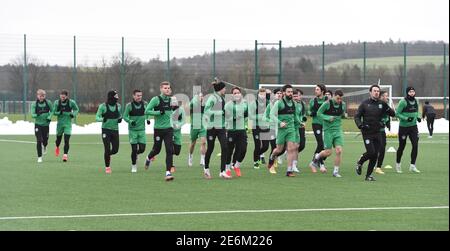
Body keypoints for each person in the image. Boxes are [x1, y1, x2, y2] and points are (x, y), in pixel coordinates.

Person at [354, 84, 395, 181]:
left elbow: (392, 114)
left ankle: (368, 176)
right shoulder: (364, 103)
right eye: (374, 91)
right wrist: (360, 125)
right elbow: (357, 117)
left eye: (378, 91)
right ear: (370, 92)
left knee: (375, 154)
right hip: (367, 132)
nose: (376, 92)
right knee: (371, 152)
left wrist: (390, 108)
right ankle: (360, 161)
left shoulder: (382, 104)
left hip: (377, 132)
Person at [310, 90, 346, 178]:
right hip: (328, 131)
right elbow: (319, 113)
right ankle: (317, 156)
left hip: (338, 130)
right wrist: (327, 117)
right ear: (333, 96)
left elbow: (342, 114)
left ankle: (335, 171)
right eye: (338, 98)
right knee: (328, 152)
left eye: (341, 99)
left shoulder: (343, 104)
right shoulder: (327, 104)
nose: (339, 100)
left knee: (339, 150)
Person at [144, 81, 176, 181]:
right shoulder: (156, 99)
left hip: (169, 129)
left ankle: (168, 172)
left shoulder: (172, 100)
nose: (167, 89)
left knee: (169, 150)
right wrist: (158, 112)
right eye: (165, 88)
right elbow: (147, 111)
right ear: (161, 89)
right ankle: (148, 158)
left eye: (168, 88)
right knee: (157, 150)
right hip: (158, 129)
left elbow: (173, 111)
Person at [267, 84, 300, 177]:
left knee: (291, 148)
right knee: (279, 149)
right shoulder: (279, 103)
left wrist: (299, 122)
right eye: (288, 92)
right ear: (284, 93)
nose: (290, 94)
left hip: (291, 129)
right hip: (282, 129)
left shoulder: (294, 103)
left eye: (291, 92)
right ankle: (272, 156)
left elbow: (295, 116)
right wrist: (279, 122)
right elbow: (272, 115)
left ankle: (289, 171)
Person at [204, 80, 230, 179]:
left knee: (225, 147)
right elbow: (206, 111)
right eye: (224, 88)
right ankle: (206, 169)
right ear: (220, 89)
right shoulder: (212, 98)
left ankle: (222, 171)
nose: (225, 90)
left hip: (221, 127)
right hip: (212, 127)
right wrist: (219, 112)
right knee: (210, 148)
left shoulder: (222, 98)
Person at [395, 86, 421, 174]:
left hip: (413, 127)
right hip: (403, 128)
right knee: (402, 146)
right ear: (407, 93)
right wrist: (406, 118)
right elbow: (397, 113)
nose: (412, 93)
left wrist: (418, 117)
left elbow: (418, 111)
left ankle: (412, 166)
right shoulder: (403, 102)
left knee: (415, 145)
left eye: (413, 91)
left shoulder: (416, 101)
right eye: (410, 92)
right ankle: (398, 164)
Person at [123, 89, 150, 173]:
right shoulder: (129, 106)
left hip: (142, 130)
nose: (139, 97)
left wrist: (147, 119)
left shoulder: (145, 104)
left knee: (142, 149)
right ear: (133, 96)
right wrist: (130, 121)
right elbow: (124, 116)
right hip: (133, 131)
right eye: (138, 95)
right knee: (134, 149)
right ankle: (134, 165)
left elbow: (148, 112)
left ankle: (136, 154)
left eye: (140, 95)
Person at [95, 90, 122, 174]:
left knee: (115, 150)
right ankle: (107, 167)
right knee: (107, 149)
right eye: (115, 97)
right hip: (106, 130)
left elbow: (119, 115)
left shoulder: (118, 106)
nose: (117, 99)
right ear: (111, 97)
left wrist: (120, 119)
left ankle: (107, 155)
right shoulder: (103, 106)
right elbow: (97, 117)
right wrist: (103, 119)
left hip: (115, 130)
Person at [224, 87, 248, 177]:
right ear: (232, 95)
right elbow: (226, 117)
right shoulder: (228, 105)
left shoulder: (244, 104)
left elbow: (246, 114)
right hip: (231, 130)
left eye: (238, 93)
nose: (237, 94)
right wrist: (234, 118)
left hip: (241, 130)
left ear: (241, 94)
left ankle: (237, 165)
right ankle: (227, 168)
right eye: (235, 93)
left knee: (243, 149)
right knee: (229, 150)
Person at [52, 90, 79, 162]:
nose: (62, 98)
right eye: (61, 97)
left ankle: (65, 155)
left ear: (66, 96)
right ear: (60, 96)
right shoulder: (57, 102)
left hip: (68, 124)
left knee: (66, 140)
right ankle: (57, 147)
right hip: (60, 124)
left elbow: (76, 110)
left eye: (64, 97)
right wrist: (59, 112)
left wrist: (73, 114)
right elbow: (53, 112)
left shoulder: (71, 102)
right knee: (58, 140)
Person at [248, 88, 271, 169]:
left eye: (264, 94)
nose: (262, 96)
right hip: (256, 127)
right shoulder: (254, 103)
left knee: (265, 146)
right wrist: (260, 116)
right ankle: (256, 162)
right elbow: (250, 116)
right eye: (261, 94)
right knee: (257, 145)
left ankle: (257, 155)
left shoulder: (268, 103)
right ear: (258, 94)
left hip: (265, 127)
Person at [309, 84, 328, 173]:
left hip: (326, 125)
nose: (315, 91)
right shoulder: (313, 101)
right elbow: (309, 111)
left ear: (322, 91)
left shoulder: (327, 101)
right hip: (316, 124)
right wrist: (311, 112)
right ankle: (321, 165)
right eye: (315, 89)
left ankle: (314, 161)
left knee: (326, 147)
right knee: (320, 143)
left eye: (317, 89)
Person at [31, 89, 53, 163]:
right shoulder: (34, 104)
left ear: (45, 96)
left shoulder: (48, 103)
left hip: (46, 125)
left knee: (45, 141)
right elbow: (32, 114)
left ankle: (45, 146)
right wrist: (37, 114)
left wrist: (49, 118)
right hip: (38, 125)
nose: (41, 97)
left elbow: (52, 111)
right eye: (40, 96)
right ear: (37, 96)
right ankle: (39, 157)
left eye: (43, 96)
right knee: (39, 140)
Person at [264, 88, 283, 174]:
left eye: (280, 93)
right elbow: (265, 117)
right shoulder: (270, 105)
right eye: (277, 93)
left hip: (282, 129)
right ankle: (271, 165)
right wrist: (272, 121)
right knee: (273, 147)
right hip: (272, 128)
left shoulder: (284, 105)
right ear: (274, 95)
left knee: (281, 149)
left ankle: (274, 158)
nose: (279, 94)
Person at [188, 92, 207, 167]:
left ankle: (202, 159)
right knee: (193, 144)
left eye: (202, 96)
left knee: (203, 142)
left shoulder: (204, 105)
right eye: (200, 96)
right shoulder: (193, 104)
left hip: (203, 126)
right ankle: (190, 156)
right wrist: (195, 98)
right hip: (194, 126)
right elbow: (191, 104)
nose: (201, 97)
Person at [374, 90, 390, 175]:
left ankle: (378, 167)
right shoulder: (376, 106)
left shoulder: (386, 106)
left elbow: (388, 116)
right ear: (380, 97)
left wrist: (387, 122)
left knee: (382, 148)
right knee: (373, 150)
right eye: (384, 96)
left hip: (382, 131)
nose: (386, 97)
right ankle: (362, 159)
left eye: (387, 96)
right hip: (374, 131)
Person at [292, 89, 307, 173]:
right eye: (294, 96)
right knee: (293, 146)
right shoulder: (290, 104)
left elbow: (302, 115)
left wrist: (303, 121)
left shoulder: (301, 104)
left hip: (299, 126)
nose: (295, 97)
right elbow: (294, 116)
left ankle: (294, 165)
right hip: (290, 127)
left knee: (300, 145)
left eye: (297, 96)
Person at [171, 97, 186, 172]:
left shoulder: (181, 110)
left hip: (177, 132)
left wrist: (178, 125)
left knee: (177, 152)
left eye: (174, 102)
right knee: (170, 148)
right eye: (172, 102)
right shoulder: (168, 110)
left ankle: (169, 153)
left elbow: (183, 121)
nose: (173, 104)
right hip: (169, 132)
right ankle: (171, 165)